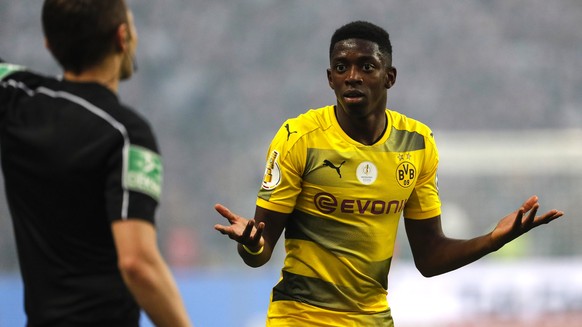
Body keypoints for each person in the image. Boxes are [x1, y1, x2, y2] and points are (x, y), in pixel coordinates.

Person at [214, 20, 564, 326]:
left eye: (366, 66)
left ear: (389, 77)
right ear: (330, 79)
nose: (353, 77)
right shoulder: (298, 138)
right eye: (341, 67)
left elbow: (429, 257)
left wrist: (491, 240)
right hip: (301, 317)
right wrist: (251, 243)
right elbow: (259, 253)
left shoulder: (417, 144)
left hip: (374, 318)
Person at [0, 1, 193, 326]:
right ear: (122, 37)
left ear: (48, 43)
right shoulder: (126, 134)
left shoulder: (17, 101)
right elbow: (137, 263)